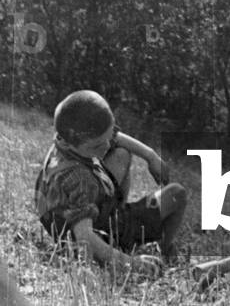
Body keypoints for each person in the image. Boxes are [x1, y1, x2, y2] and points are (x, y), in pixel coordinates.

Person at [35, 90, 187, 278]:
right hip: (99, 233)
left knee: (122, 152)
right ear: (75, 139)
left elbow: (112, 138)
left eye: (108, 137)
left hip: (68, 220)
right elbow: (86, 238)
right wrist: (133, 264)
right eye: (98, 145)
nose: (107, 146)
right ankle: (163, 248)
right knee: (176, 194)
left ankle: (117, 209)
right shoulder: (79, 179)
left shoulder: (64, 140)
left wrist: (150, 156)